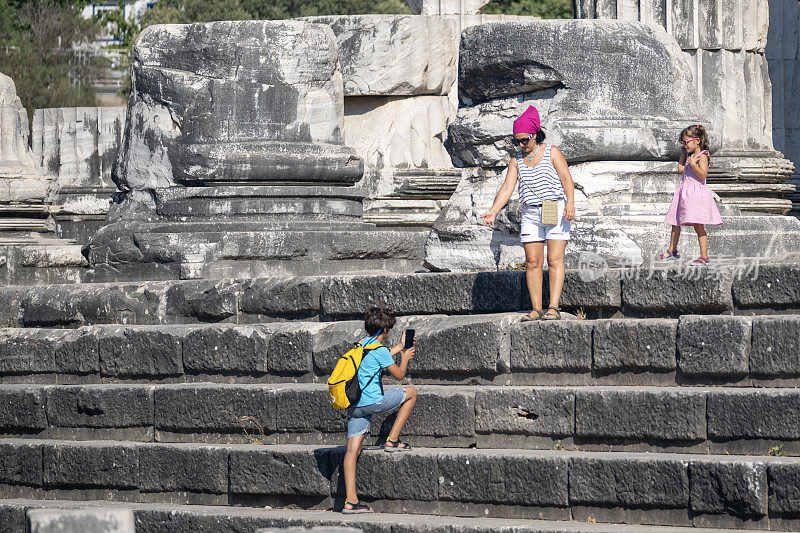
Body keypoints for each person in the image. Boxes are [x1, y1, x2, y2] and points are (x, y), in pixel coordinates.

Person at [480, 106, 576, 321]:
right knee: (532, 261)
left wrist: (570, 203)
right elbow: (507, 188)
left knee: (554, 258)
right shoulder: (517, 160)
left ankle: (553, 306)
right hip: (531, 212)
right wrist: (493, 211)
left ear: (535, 135)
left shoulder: (552, 152)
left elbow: (566, 179)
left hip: (553, 207)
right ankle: (535, 308)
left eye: (524, 140)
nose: (521, 145)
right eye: (517, 141)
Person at [342, 306, 417, 514]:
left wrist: (400, 345)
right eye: (390, 329)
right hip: (372, 401)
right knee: (410, 393)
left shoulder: (361, 344)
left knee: (352, 450)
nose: (390, 332)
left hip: (354, 404)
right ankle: (392, 440)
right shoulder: (381, 350)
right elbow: (399, 375)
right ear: (384, 329)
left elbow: (377, 358)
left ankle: (351, 501)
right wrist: (405, 357)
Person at [659, 124, 722, 264]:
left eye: (686, 142)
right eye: (683, 143)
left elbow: (703, 175)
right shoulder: (689, 155)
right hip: (684, 193)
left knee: (698, 225)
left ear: (697, 141)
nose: (684, 145)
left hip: (696, 194)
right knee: (675, 222)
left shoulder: (702, 156)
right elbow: (680, 170)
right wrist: (683, 154)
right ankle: (672, 250)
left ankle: (704, 256)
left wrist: (694, 164)